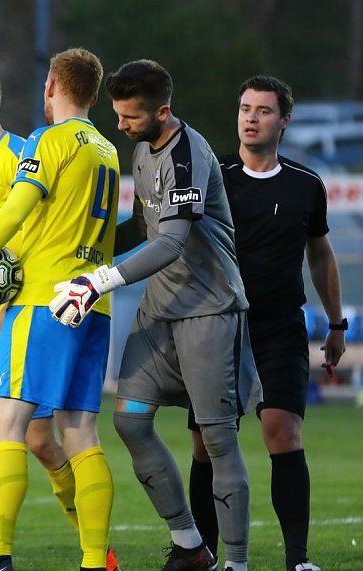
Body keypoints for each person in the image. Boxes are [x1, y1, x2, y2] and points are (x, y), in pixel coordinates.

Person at [50, 59, 262, 571]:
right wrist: (72, 250)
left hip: (209, 311)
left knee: (217, 439)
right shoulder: (144, 148)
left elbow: (169, 242)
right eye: (118, 115)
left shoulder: (187, 154)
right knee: (129, 421)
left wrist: (97, 280)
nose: (120, 126)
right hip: (161, 310)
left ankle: (236, 563)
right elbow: (143, 226)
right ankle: (190, 545)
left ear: (162, 111)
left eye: (130, 117)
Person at [0, 62, 119, 571]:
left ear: (52, 87)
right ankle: (93, 560)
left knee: (5, 423)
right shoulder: (106, 149)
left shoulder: (45, 139)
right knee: (80, 430)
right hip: (93, 302)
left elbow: (14, 213)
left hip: (42, 301)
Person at [187, 76, 345, 571]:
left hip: (280, 329)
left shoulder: (306, 185)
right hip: (218, 328)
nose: (251, 117)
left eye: (263, 110)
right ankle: (203, 555)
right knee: (207, 444)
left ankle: (297, 560)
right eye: (245, 108)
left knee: (282, 431)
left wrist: (336, 325)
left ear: (284, 121)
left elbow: (320, 256)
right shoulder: (213, 177)